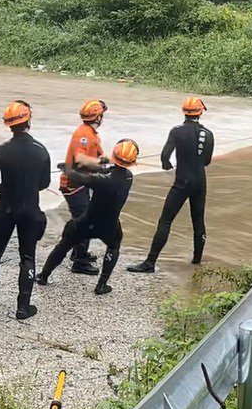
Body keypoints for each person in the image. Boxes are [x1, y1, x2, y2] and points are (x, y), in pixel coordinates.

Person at [0, 101, 51, 321]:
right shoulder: (41, 151)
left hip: (6, 209)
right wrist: (26, 187)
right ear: (29, 120)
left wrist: (10, 188)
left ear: (9, 125)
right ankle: (23, 307)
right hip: (31, 209)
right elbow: (44, 182)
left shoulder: (1, 151)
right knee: (27, 256)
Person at [36, 139, 138, 296]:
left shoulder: (102, 180)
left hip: (88, 222)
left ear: (114, 154)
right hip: (109, 225)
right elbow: (106, 172)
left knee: (64, 244)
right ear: (132, 162)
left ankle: (43, 276)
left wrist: (65, 168)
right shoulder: (128, 178)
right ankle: (102, 285)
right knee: (114, 246)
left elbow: (80, 178)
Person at [128, 97, 214, 274]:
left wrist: (167, 166)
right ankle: (196, 261)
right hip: (200, 182)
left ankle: (150, 262)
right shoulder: (209, 134)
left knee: (166, 220)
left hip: (182, 182)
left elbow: (165, 156)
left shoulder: (176, 132)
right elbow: (206, 161)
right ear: (201, 111)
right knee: (198, 221)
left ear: (184, 112)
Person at [58, 99, 109, 275]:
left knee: (84, 217)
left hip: (80, 182)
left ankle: (78, 253)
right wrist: (100, 164)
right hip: (74, 184)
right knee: (85, 221)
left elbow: (97, 154)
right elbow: (80, 159)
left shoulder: (90, 133)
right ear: (98, 117)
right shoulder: (84, 135)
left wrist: (105, 160)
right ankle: (79, 262)